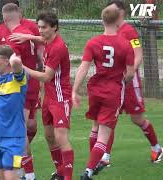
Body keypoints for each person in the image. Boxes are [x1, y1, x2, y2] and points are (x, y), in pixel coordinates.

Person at [95, 0, 162, 168]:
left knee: (137, 119)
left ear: (121, 12)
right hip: (113, 84)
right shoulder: (110, 31)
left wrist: (129, 73)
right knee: (109, 119)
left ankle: (157, 148)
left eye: (112, 10)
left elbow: (138, 54)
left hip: (130, 83)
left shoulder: (129, 31)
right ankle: (105, 157)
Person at [71, 5, 135, 180]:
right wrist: (123, 80)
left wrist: (75, 91)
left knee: (95, 127)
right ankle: (89, 171)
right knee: (104, 135)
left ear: (102, 21)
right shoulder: (125, 44)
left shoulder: (93, 42)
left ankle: (94, 163)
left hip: (95, 89)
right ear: (118, 22)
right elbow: (130, 73)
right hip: (113, 91)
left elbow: (83, 68)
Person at [0, 2, 43, 179]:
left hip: (20, 87)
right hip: (28, 85)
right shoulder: (1, 31)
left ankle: (26, 173)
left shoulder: (27, 30)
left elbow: (10, 62)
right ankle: (26, 171)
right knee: (28, 126)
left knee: (20, 131)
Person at [22, 11, 74, 180]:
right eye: (38, 26)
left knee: (61, 138)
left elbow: (46, 76)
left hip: (60, 97)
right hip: (49, 98)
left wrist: (23, 69)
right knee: (49, 136)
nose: (40, 30)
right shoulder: (48, 40)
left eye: (44, 27)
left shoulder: (57, 47)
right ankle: (60, 171)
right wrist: (27, 37)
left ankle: (67, 177)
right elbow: (41, 39)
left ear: (54, 27)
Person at [0, 44, 27, 180]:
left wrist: (11, 57)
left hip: (14, 137)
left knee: (10, 174)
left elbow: (17, 62)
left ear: (6, 62)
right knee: (1, 174)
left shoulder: (18, 79)